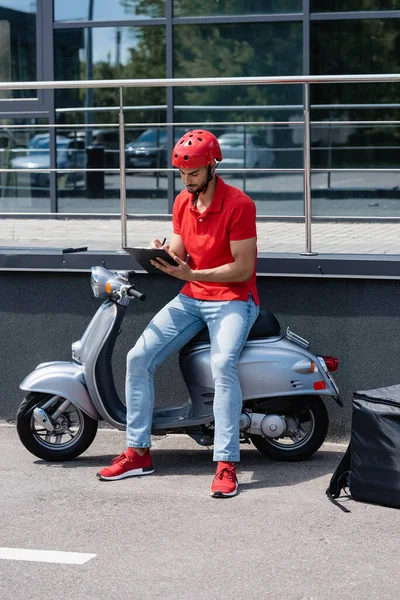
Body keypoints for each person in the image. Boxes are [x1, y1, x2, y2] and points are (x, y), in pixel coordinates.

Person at [97, 129, 260, 497]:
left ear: (213, 166)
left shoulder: (239, 205)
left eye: (194, 174)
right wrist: (163, 250)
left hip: (233, 298)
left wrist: (193, 274)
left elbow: (243, 269)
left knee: (223, 366)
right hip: (192, 296)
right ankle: (138, 451)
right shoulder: (183, 202)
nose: (188, 181)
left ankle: (226, 463)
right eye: (183, 175)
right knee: (138, 358)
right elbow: (180, 252)